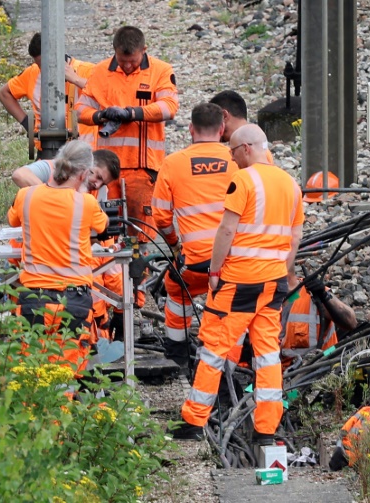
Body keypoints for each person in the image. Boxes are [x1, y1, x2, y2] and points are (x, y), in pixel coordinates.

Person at [175, 124, 304, 443]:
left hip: (238, 282)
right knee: (268, 354)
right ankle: (266, 429)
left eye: (232, 152)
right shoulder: (291, 184)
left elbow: (227, 231)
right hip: (273, 282)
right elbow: (296, 236)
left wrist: (215, 271)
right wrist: (280, 270)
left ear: (246, 148)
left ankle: (194, 421)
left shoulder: (244, 180)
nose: (232, 160)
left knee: (214, 349)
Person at [7, 140, 108, 376]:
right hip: (73, 302)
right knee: (64, 378)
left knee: (30, 376)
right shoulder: (87, 203)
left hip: (33, 298)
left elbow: (12, 220)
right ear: (84, 173)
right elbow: (103, 225)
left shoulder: (26, 196)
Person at [151, 103, 239, 367]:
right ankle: (231, 358)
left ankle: (178, 352)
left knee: (176, 288)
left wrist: (175, 245)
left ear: (190, 129)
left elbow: (161, 217)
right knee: (235, 302)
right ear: (222, 129)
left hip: (195, 262)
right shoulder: (237, 160)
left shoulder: (173, 163)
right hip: (232, 262)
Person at [75, 25, 179, 244]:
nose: (128, 65)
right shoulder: (101, 72)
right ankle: (105, 275)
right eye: (123, 61)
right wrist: (100, 115)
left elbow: (169, 107)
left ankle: (141, 275)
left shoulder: (161, 71)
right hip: (106, 169)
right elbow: (81, 110)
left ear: (144, 50)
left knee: (141, 233)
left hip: (142, 168)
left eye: (133, 61)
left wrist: (133, 113)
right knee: (103, 229)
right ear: (114, 50)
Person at [0, 32, 97, 158]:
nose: (44, 71)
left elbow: (105, 94)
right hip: (47, 151)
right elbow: (4, 93)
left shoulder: (87, 70)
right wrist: (27, 123)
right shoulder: (32, 73)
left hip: (83, 154)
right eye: (40, 66)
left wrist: (76, 79)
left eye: (48, 66)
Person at [280, 271, 357, 368]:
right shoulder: (261, 302)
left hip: (323, 366)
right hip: (279, 376)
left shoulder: (310, 293)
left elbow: (351, 322)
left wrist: (324, 296)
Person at [209, 90, 275, 163]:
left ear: (224, 115)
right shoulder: (264, 153)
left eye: (213, 122)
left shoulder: (229, 155)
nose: (213, 130)